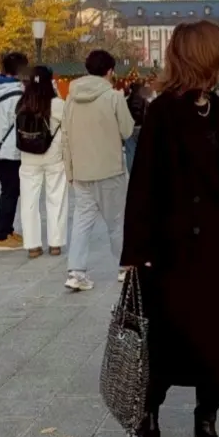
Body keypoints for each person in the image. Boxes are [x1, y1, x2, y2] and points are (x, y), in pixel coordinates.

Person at [121, 21, 219, 437]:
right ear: (203, 55)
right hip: (172, 249)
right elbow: (143, 184)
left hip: (218, 247)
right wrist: (137, 251)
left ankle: (206, 421)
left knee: (216, 338)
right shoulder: (164, 112)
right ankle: (149, 410)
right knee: (167, 336)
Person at [62, 49, 134, 292]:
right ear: (110, 71)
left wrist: (69, 170)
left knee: (82, 221)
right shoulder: (114, 97)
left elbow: (65, 136)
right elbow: (127, 130)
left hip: (81, 170)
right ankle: (124, 267)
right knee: (116, 221)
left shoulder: (71, 98)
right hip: (109, 169)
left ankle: (76, 271)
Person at [17, 66, 68, 260]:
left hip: (28, 156)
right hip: (53, 156)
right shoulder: (57, 104)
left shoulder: (22, 103)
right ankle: (55, 243)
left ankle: (32, 245)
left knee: (29, 201)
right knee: (56, 197)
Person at [0, 52, 28, 250]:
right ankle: (2, 236)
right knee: (10, 191)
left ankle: (8, 231)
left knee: (10, 190)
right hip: (9, 150)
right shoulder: (18, 93)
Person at [124, 80, 149, 174]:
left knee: (130, 151)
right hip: (141, 128)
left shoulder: (126, 101)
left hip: (130, 128)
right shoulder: (145, 101)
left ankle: (132, 172)